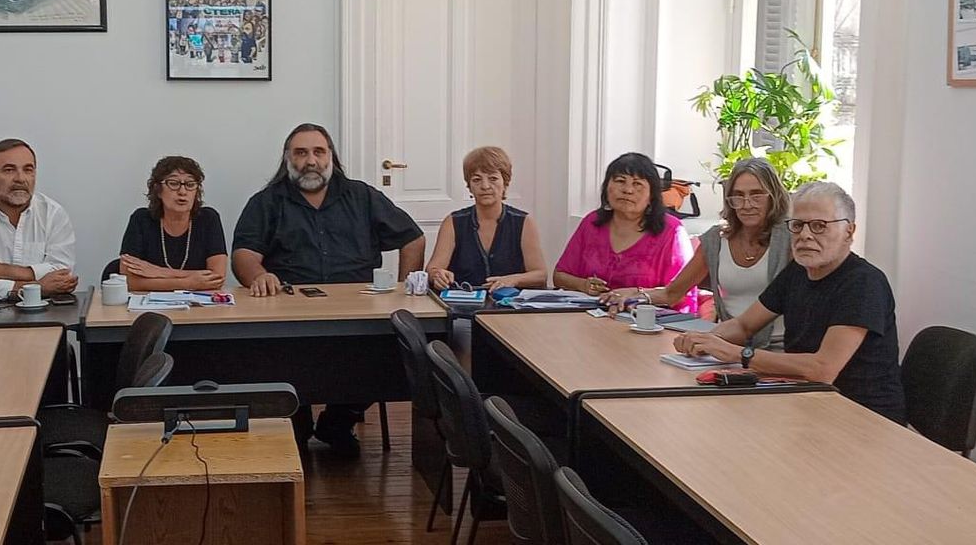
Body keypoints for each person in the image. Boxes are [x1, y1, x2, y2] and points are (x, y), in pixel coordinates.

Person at [233, 122, 425, 455]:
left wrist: (404, 287)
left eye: (318, 152)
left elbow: (412, 238)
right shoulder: (267, 201)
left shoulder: (362, 196)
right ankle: (297, 421)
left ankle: (340, 420)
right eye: (301, 152)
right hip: (289, 313)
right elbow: (244, 254)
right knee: (273, 354)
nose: (311, 160)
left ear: (331, 157)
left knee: (387, 353)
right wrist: (259, 275)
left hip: (360, 310)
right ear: (287, 159)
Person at [673, 182, 906, 423]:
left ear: (849, 231)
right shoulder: (798, 271)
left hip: (862, 417)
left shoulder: (864, 283)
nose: (805, 235)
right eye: (797, 226)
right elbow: (744, 326)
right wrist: (706, 340)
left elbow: (822, 369)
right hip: (806, 401)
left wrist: (739, 353)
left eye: (819, 226)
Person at [603, 157, 793, 348]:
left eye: (756, 195)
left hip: (781, 347)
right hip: (729, 344)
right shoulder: (715, 240)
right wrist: (637, 294)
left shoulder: (791, 239)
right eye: (738, 195)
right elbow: (673, 293)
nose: (746, 204)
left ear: (773, 196)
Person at [555, 152, 695, 309]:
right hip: (592, 317)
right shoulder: (592, 222)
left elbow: (682, 295)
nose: (628, 190)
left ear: (652, 195)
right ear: (606, 188)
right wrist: (583, 284)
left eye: (637, 184)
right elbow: (560, 276)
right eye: (620, 181)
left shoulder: (672, 231)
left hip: (647, 323)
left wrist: (636, 294)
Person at [0, 138, 78, 298]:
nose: (20, 178)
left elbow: (62, 274)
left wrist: (0, 270)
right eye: (9, 170)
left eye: (28, 170)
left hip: (47, 312)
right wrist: (38, 287)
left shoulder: (53, 213)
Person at [425, 146, 547, 293]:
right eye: (477, 180)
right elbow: (432, 269)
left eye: (493, 178)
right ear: (469, 186)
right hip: (463, 304)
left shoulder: (524, 222)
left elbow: (540, 275)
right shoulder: (453, 222)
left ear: (505, 183)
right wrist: (438, 275)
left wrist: (512, 280)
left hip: (509, 306)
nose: (485, 186)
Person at [117, 156, 228, 292]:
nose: (182, 192)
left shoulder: (208, 219)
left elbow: (216, 278)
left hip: (198, 309)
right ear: (158, 189)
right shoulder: (141, 219)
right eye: (174, 183)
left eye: (190, 184)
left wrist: (157, 271)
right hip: (149, 309)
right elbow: (127, 280)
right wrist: (189, 282)